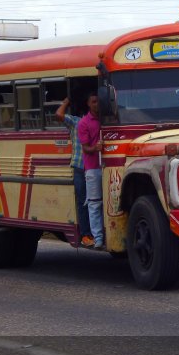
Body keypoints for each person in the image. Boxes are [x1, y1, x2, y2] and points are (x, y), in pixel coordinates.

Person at [56, 97, 93, 247]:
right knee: (83, 201)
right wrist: (65, 103)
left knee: (93, 202)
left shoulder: (96, 123)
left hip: (92, 167)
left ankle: (93, 232)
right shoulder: (76, 122)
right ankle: (85, 233)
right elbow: (58, 115)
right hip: (80, 166)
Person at [78, 92, 104, 249]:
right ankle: (98, 237)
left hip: (108, 166)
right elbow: (86, 148)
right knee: (94, 203)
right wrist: (96, 148)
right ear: (88, 104)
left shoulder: (107, 118)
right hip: (93, 168)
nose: (97, 104)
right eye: (93, 101)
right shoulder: (84, 123)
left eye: (98, 101)